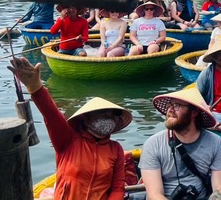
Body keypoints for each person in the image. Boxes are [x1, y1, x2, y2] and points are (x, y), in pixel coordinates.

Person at [8, 56, 132, 200]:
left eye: (114, 115)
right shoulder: (68, 139)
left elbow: (117, 188)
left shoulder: (115, 149)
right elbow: (51, 114)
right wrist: (35, 87)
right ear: (87, 117)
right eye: (103, 114)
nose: (110, 118)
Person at [140, 88, 221, 200]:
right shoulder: (153, 144)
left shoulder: (214, 142)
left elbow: (220, 187)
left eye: (177, 105)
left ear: (194, 112)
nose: (170, 110)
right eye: (169, 105)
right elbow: (155, 195)